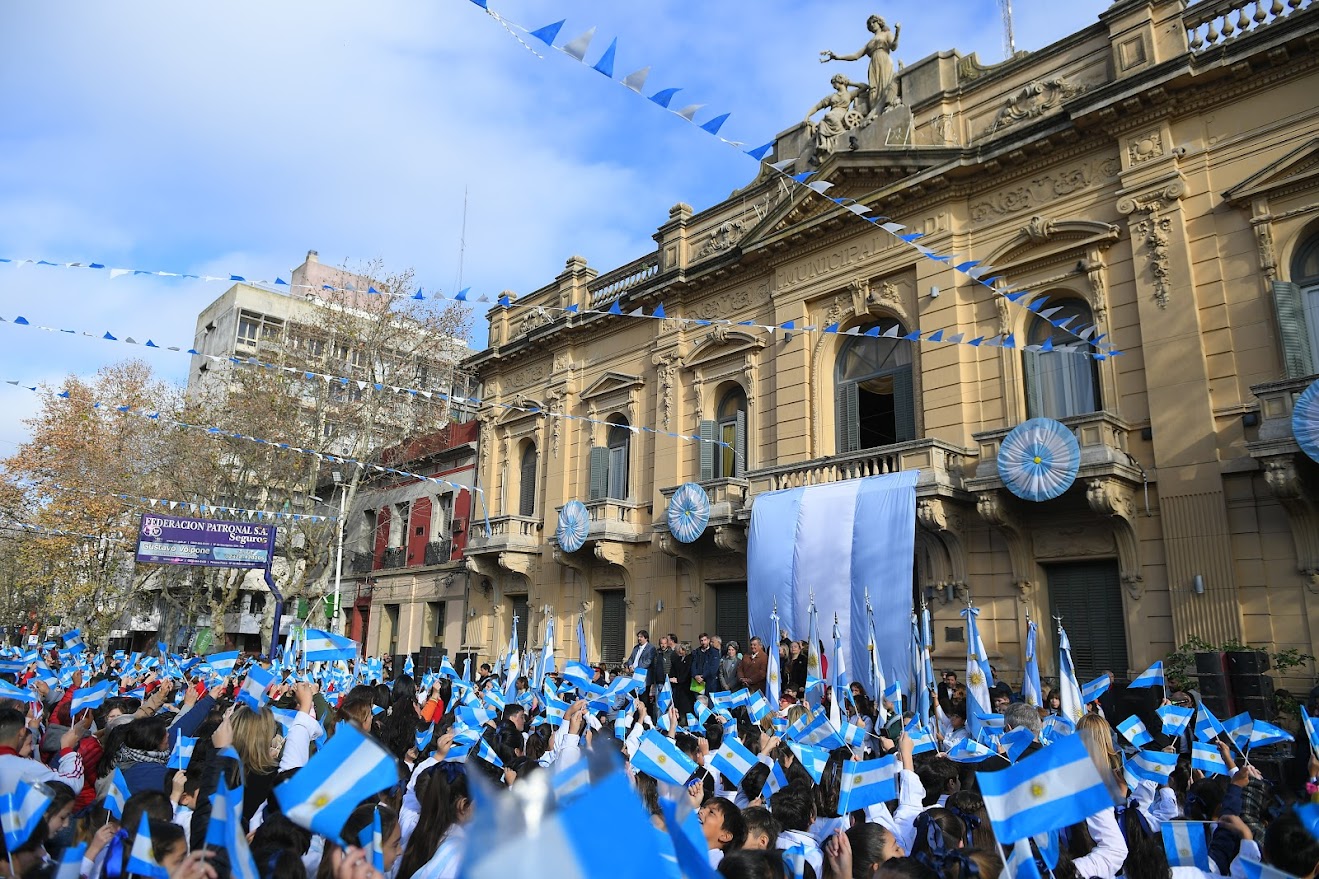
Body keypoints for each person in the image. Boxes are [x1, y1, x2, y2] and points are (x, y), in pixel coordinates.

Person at [820, 14, 902, 118]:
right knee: (874, 87)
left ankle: (886, 105)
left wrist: (898, 32)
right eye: (870, 24)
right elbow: (855, 56)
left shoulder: (886, 34)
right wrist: (837, 57)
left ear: (879, 22)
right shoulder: (869, 43)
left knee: (884, 83)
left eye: (873, 22)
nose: (872, 25)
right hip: (873, 64)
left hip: (884, 59)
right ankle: (875, 111)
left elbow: (893, 47)